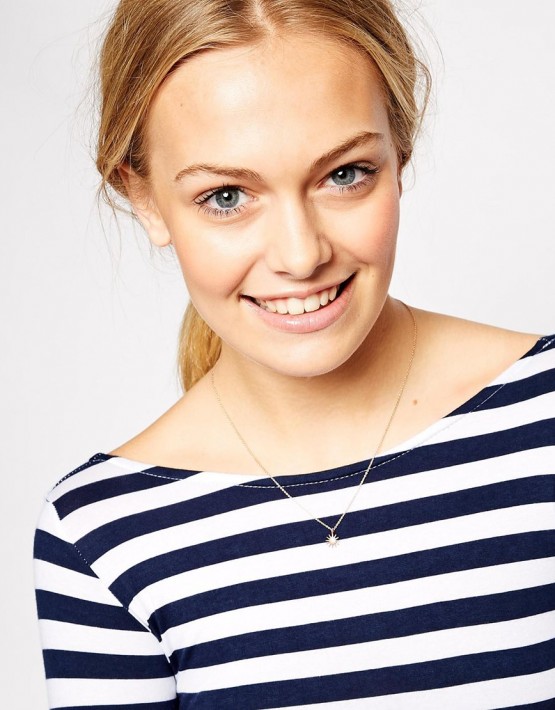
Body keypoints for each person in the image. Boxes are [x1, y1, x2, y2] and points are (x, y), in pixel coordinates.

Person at [33, 0, 555, 707]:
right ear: (145, 199)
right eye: (226, 196)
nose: (301, 255)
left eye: (345, 174)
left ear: (399, 152)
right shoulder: (100, 534)